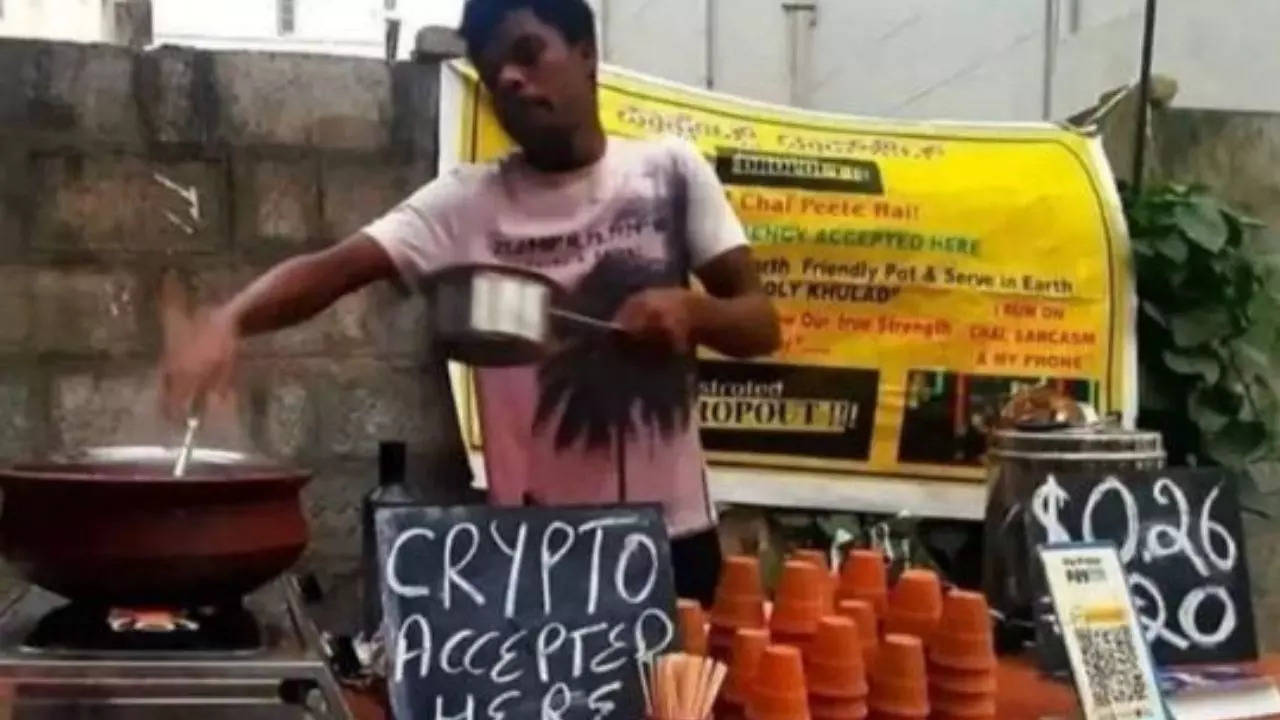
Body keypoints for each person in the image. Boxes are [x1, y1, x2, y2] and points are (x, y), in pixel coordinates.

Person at [161, 0, 780, 605]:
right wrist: (229, 320)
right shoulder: (466, 203)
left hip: (670, 542)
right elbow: (334, 269)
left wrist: (694, 312)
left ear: (587, 55)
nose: (510, 79)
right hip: (534, 549)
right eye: (492, 72)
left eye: (528, 54)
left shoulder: (670, 173)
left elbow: (760, 323)